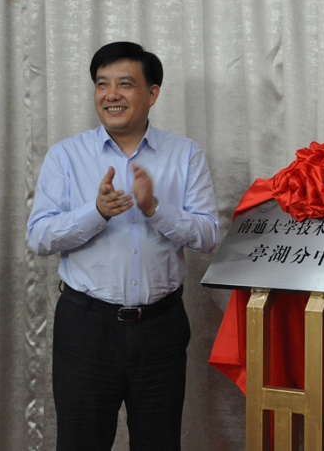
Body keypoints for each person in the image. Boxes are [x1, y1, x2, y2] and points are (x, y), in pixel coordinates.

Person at [27, 42, 219, 451]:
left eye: (125, 84)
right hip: (86, 327)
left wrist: (155, 209)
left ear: (152, 93)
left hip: (161, 327)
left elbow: (207, 236)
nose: (111, 94)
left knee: (158, 442)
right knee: (80, 442)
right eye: (102, 84)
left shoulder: (185, 154)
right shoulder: (66, 155)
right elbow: (39, 237)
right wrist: (96, 212)